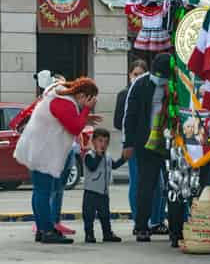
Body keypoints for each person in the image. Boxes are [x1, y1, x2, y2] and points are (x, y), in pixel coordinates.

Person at [14, 77, 100, 244]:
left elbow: (69, 121)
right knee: (43, 191)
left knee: (41, 190)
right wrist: (85, 112)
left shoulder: (62, 99)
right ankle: (46, 230)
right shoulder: (64, 101)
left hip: (40, 149)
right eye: (89, 101)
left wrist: (84, 115)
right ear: (82, 96)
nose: (88, 105)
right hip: (43, 152)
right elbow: (74, 127)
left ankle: (43, 228)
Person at [114, 59, 168, 235]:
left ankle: (175, 227)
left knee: (173, 186)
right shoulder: (141, 84)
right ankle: (141, 226)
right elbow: (129, 116)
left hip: (170, 143)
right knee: (145, 186)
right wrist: (128, 143)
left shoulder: (175, 83)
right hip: (146, 144)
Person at [83, 128, 125, 243]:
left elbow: (114, 165)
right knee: (89, 216)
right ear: (93, 141)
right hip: (91, 191)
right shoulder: (89, 155)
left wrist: (124, 158)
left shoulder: (107, 156)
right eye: (100, 141)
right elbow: (92, 166)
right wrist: (98, 154)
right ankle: (89, 234)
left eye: (106, 142)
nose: (103, 144)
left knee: (105, 215)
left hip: (103, 192)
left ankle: (107, 233)